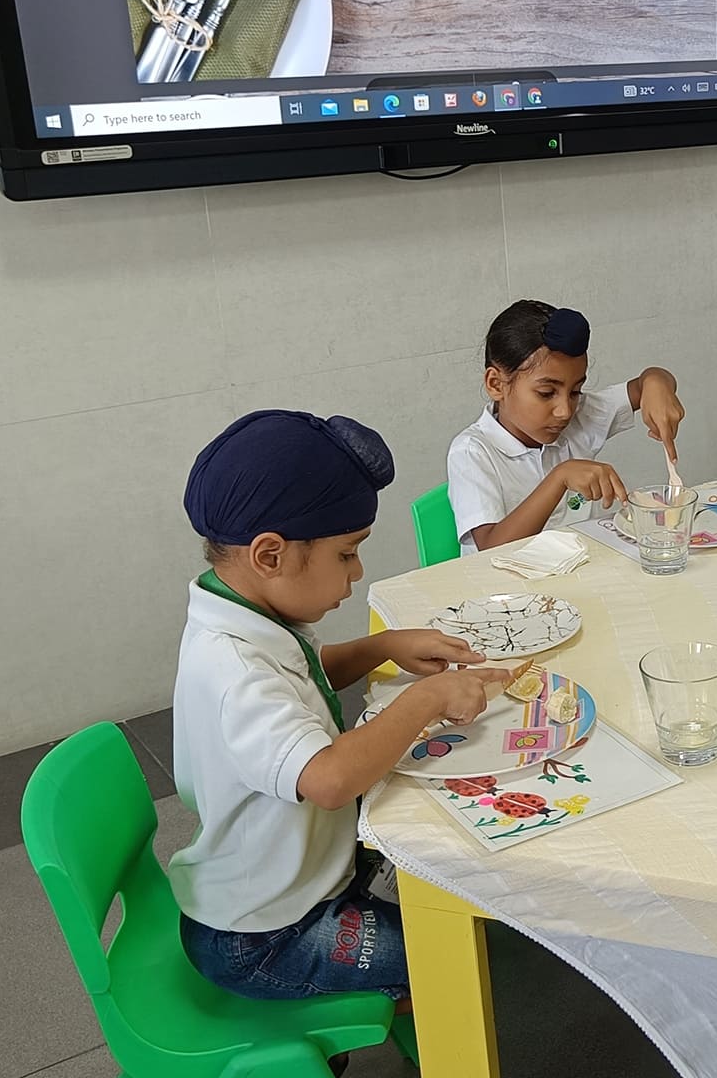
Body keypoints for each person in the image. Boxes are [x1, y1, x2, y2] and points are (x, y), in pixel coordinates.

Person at [172, 409, 510, 1003]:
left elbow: (306, 675)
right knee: (452, 948)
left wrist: (382, 647)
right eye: (347, 554)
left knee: (461, 890)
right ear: (270, 555)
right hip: (264, 935)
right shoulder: (235, 670)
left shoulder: (244, 618)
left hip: (306, 879)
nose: (357, 573)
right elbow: (328, 780)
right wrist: (429, 697)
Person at [448, 299, 688, 551]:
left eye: (575, 391)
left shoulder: (579, 416)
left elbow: (646, 384)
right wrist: (559, 478)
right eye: (546, 393)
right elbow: (491, 548)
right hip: (505, 576)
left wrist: (657, 384)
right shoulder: (472, 452)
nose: (565, 411)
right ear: (496, 384)